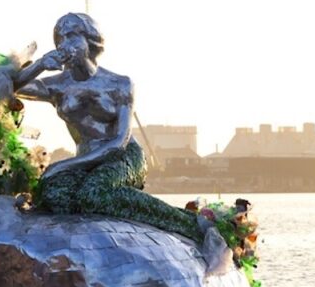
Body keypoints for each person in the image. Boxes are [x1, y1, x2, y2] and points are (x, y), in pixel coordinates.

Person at [13, 13, 206, 243]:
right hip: (86, 159)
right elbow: (9, 87)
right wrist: (39, 65)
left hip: (122, 155)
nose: (64, 44)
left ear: (90, 40)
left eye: (72, 36)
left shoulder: (119, 84)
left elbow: (118, 142)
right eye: (60, 39)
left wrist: (63, 165)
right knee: (55, 195)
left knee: (94, 193)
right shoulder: (56, 86)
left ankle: (187, 223)